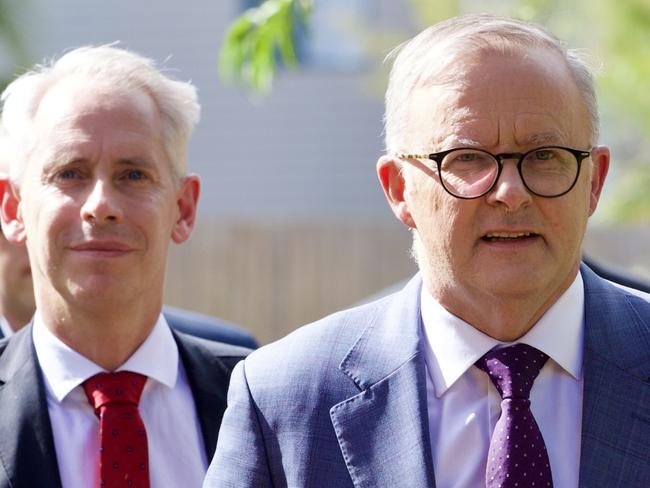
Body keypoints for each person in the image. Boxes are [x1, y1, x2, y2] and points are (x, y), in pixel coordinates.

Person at [205, 14, 650, 488]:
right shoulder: (286, 397)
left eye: (544, 156)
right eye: (468, 158)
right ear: (399, 189)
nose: (510, 192)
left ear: (594, 181)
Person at [0, 46, 250, 488]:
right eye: (69, 173)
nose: (101, 206)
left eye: (133, 175)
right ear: (14, 209)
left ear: (184, 208)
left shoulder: (269, 403)